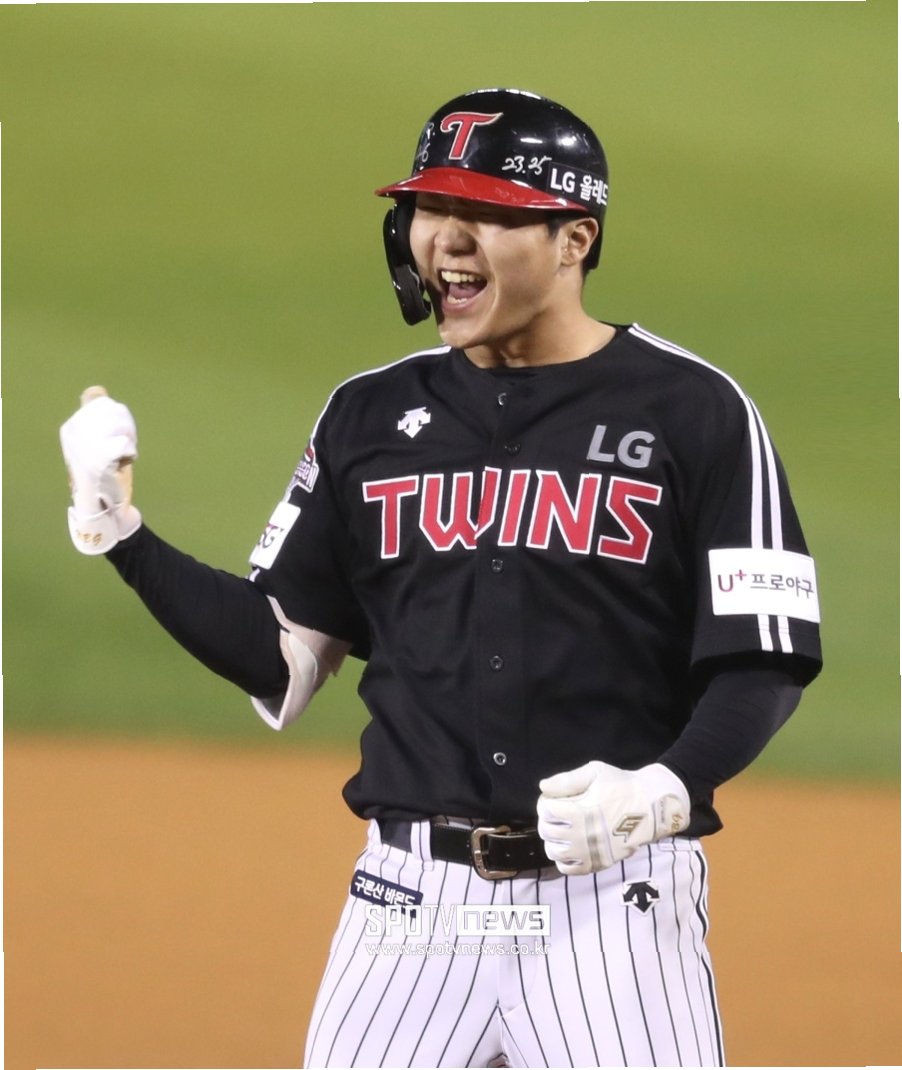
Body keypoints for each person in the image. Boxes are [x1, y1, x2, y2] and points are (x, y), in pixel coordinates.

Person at [60, 88, 822, 1069]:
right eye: (431, 208)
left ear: (574, 238)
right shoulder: (367, 416)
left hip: (612, 903)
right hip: (409, 908)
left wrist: (666, 790)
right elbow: (277, 650)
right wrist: (116, 528)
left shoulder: (694, 409)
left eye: (489, 212)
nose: (448, 240)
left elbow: (762, 656)